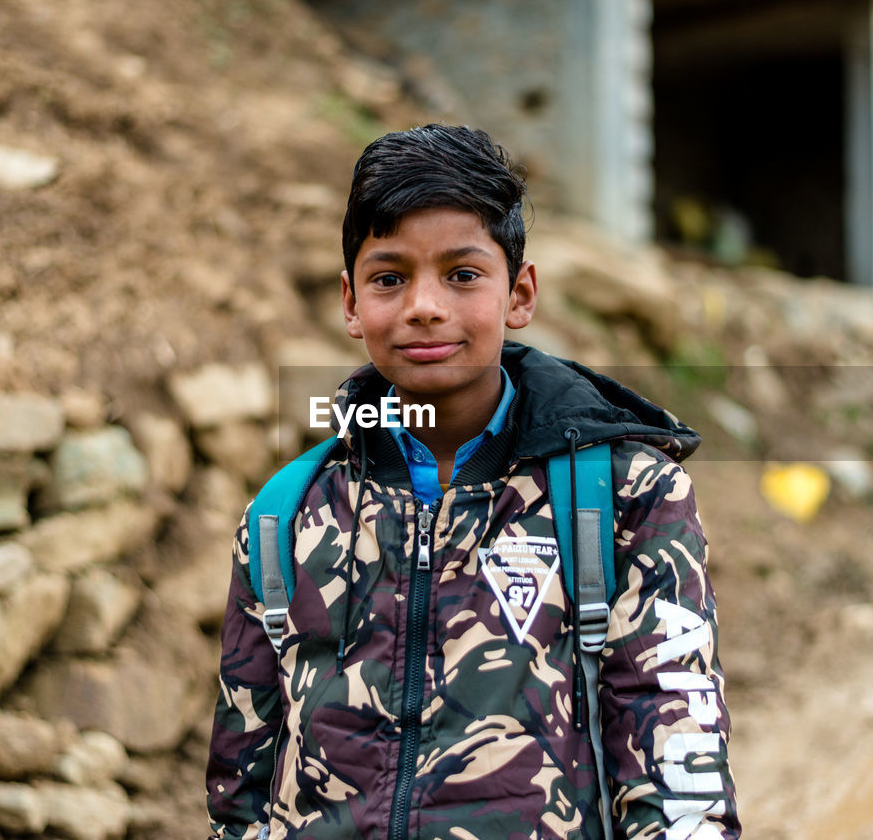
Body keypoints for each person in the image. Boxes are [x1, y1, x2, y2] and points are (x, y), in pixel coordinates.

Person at [206, 124, 739, 840]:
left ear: (519, 294)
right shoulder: (284, 519)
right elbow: (238, 796)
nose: (425, 305)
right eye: (390, 278)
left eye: (462, 274)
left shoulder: (626, 499)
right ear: (351, 302)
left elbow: (681, 779)